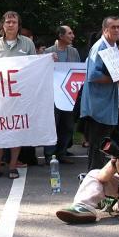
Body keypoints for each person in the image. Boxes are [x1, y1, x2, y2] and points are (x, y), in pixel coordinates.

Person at [0, 11, 36, 179]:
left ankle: (13, 166)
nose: (10, 24)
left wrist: (49, 59)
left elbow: (35, 66)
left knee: (16, 130)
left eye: (13, 22)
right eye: (7, 21)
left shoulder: (28, 43)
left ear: (18, 25)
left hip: (19, 96)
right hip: (0, 96)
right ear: (3, 25)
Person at [80, 17, 119, 171]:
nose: (116, 30)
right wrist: (116, 79)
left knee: (114, 145)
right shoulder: (100, 47)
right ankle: (93, 183)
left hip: (113, 104)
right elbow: (93, 75)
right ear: (105, 29)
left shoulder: (112, 46)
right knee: (99, 148)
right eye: (113, 27)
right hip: (99, 107)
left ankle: (114, 179)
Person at [44, 25, 80, 164]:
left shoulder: (74, 52)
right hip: (53, 96)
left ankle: (62, 153)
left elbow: (77, 71)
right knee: (53, 125)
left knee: (68, 125)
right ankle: (49, 155)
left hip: (69, 96)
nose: (73, 36)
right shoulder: (48, 52)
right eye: (70, 33)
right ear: (61, 36)